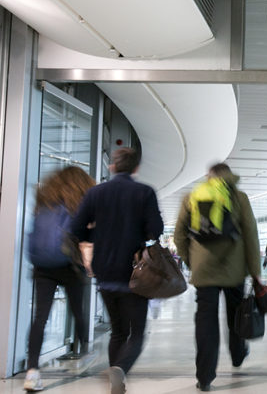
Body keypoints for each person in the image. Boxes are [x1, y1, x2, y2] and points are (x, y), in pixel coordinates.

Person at [70, 148, 164, 394]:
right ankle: (119, 369)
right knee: (137, 333)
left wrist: (98, 235)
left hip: (105, 272)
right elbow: (156, 228)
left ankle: (116, 380)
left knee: (118, 331)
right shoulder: (144, 193)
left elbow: (76, 228)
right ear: (136, 168)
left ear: (112, 166)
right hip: (135, 274)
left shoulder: (95, 193)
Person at [174, 163, 261, 392]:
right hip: (234, 271)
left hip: (203, 272)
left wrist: (190, 261)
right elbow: (251, 234)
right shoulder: (239, 197)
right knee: (236, 315)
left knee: (206, 321)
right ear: (230, 176)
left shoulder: (192, 197)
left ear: (208, 177)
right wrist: (255, 270)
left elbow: (179, 235)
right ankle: (238, 354)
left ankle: (205, 376)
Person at [24, 167, 95, 392]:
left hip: (42, 265)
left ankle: (32, 371)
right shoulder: (79, 201)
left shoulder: (45, 199)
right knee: (77, 310)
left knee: (40, 316)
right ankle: (84, 349)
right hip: (69, 265)